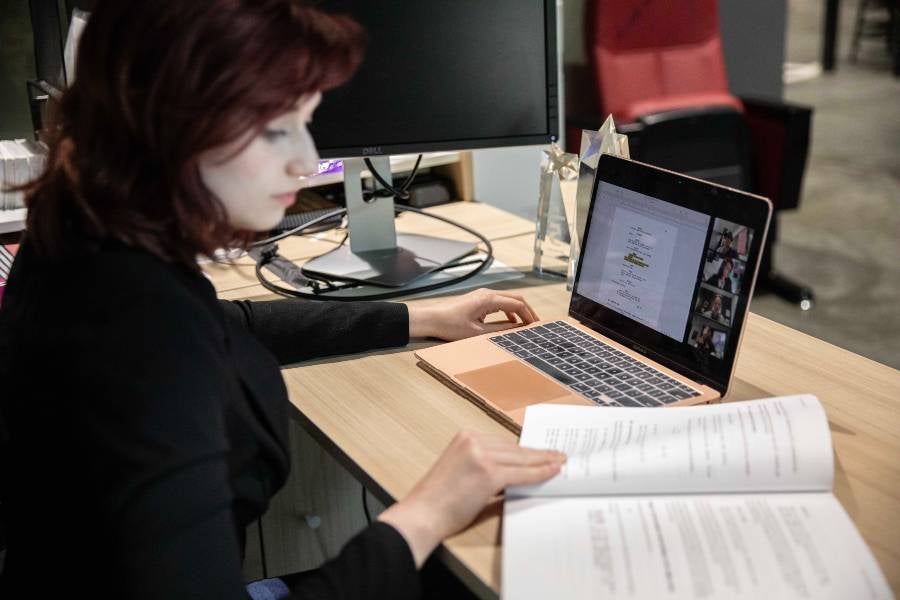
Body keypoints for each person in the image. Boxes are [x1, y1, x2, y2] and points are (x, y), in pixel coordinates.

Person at [0, 1, 565, 598]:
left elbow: (226, 321)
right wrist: (427, 512)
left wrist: (415, 316)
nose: (303, 160)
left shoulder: (81, 238)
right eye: (277, 129)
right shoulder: (142, 337)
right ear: (170, 121)